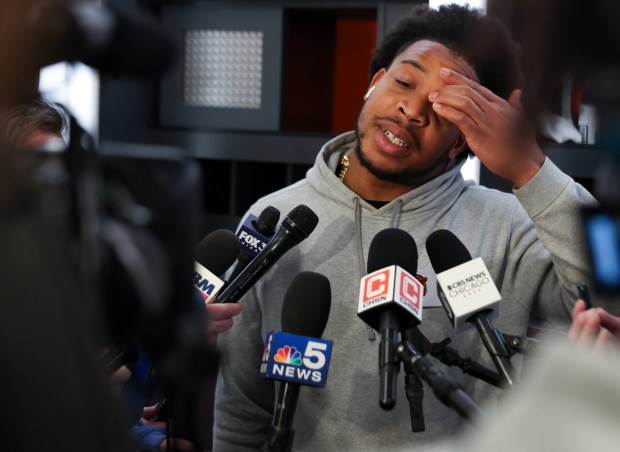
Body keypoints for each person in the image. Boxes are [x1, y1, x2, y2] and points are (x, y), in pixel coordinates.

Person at [213, 4, 607, 451]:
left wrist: (531, 169)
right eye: (403, 82)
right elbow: (242, 408)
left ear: (463, 140)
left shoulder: (507, 225)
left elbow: (609, 295)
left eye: (445, 109)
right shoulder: (274, 219)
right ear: (374, 82)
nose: (411, 109)